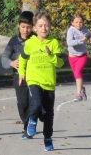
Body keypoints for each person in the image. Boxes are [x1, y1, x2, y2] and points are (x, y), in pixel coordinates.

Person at [18, 10, 64, 151]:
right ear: (34, 28)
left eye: (47, 25)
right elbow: (22, 59)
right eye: (41, 25)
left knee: (48, 116)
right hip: (34, 80)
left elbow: (60, 63)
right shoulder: (30, 43)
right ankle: (31, 122)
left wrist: (51, 56)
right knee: (36, 103)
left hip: (49, 83)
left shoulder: (53, 43)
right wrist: (21, 73)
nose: (44, 28)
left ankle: (48, 138)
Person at [1, 10, 34, 139]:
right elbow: (4, 58)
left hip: (34, 76)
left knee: (35, 102)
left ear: (33, 27)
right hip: (19, 78)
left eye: (29, 27)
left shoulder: (36, 39)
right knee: (23, 104)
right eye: (23, 27)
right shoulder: (13, 41)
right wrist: (11, 63)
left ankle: (32, 124)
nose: (26, 30)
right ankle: (27, 126)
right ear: (18, 25)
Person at [66, 14, 91, 101]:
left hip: (82, 55)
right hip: (72, 56)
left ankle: (78, 94)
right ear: (72, 23)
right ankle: (82, 89)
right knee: (76, 75)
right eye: (76, 22)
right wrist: (80, 40)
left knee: (78, 72)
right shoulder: (71, 31)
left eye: (80, 22)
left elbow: (90, 35)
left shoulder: (84, 30)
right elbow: (69, 43)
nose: (79, 24)